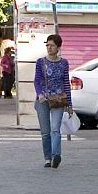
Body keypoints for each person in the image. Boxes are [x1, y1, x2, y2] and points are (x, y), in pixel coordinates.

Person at [32, 34, 70, 168]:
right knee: (45, 132)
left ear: (58, 47)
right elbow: (36, 80)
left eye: (52, 45)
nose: (49, 47)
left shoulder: (64, 63)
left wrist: (69, 104)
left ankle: (56, 155)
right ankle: (47, 158)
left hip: (58, 99)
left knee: (55, 129)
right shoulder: (40, 62)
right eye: (47, 45)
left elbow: (66, 83)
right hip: (43, 100)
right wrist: (40, 94)